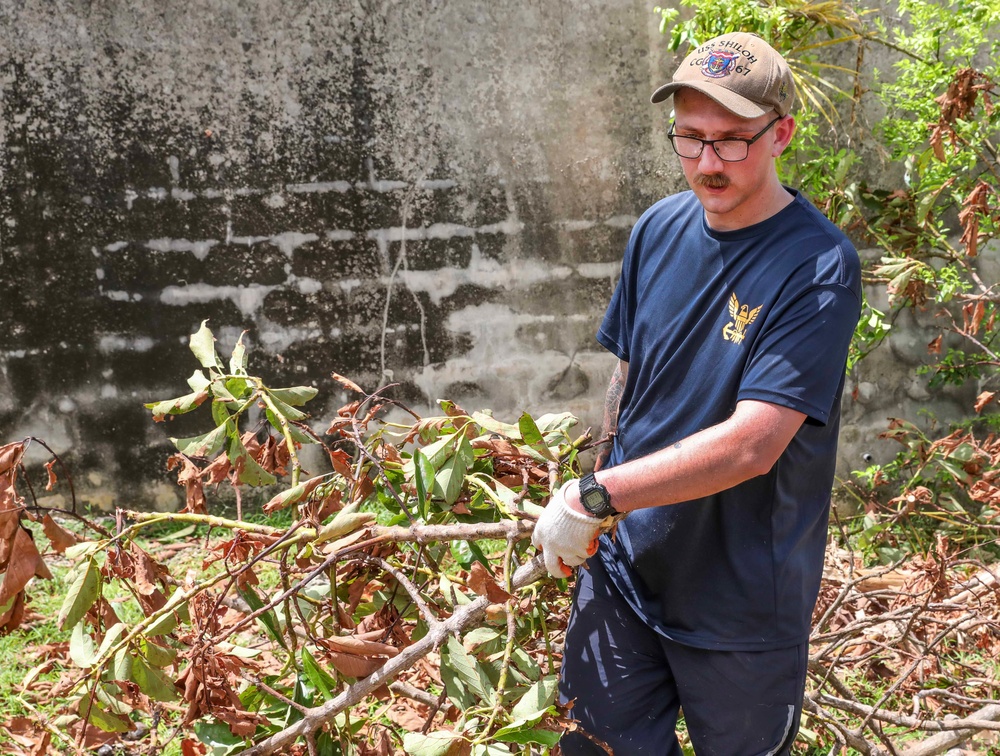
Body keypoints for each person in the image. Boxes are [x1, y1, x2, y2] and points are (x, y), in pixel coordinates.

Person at [531, 32, 862, 755]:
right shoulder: (659, 228)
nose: (707, 163)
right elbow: (628, 380)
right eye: (690, 138)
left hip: (742, 605)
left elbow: (752, 444)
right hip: (627, 575)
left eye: (732, 142)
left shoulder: (817, 265)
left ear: (782, 134)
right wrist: (590, 503)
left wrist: (596, 495)